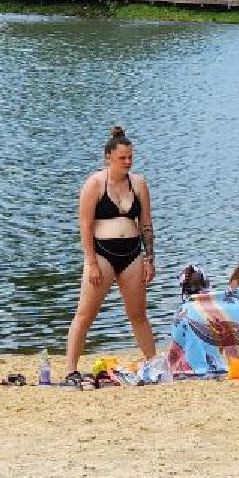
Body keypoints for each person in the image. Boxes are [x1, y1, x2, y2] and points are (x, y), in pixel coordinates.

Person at [63, 125, 158, 385]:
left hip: (132, 254)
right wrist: (91, 262)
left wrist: (150, 259)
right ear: (108, 158)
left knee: (138, 314)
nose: (127, 162)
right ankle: (71, 368)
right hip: (102, 254)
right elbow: (85, 225)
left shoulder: (139, 184)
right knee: (85, 313)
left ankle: (153, 364)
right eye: (122, 158)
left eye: (130, 157)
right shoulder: (94, 184)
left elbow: (146, 224)